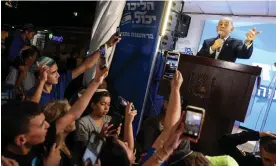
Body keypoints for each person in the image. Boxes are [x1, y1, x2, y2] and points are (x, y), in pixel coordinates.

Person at [28, 33, 120, 106]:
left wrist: (107, 45)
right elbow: (31, 108)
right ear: (42, 74)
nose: (58, 75)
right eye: (53, 73)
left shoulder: (60, 81)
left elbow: (85, 65)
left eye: (57, 71)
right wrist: (42, 82)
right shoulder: (33, 94)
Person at [1, 101, 61, 166]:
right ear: (21, 139)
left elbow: (70, 116)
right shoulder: (8, 162)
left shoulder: (36, 140)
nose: (48, 125)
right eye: (41, 125)